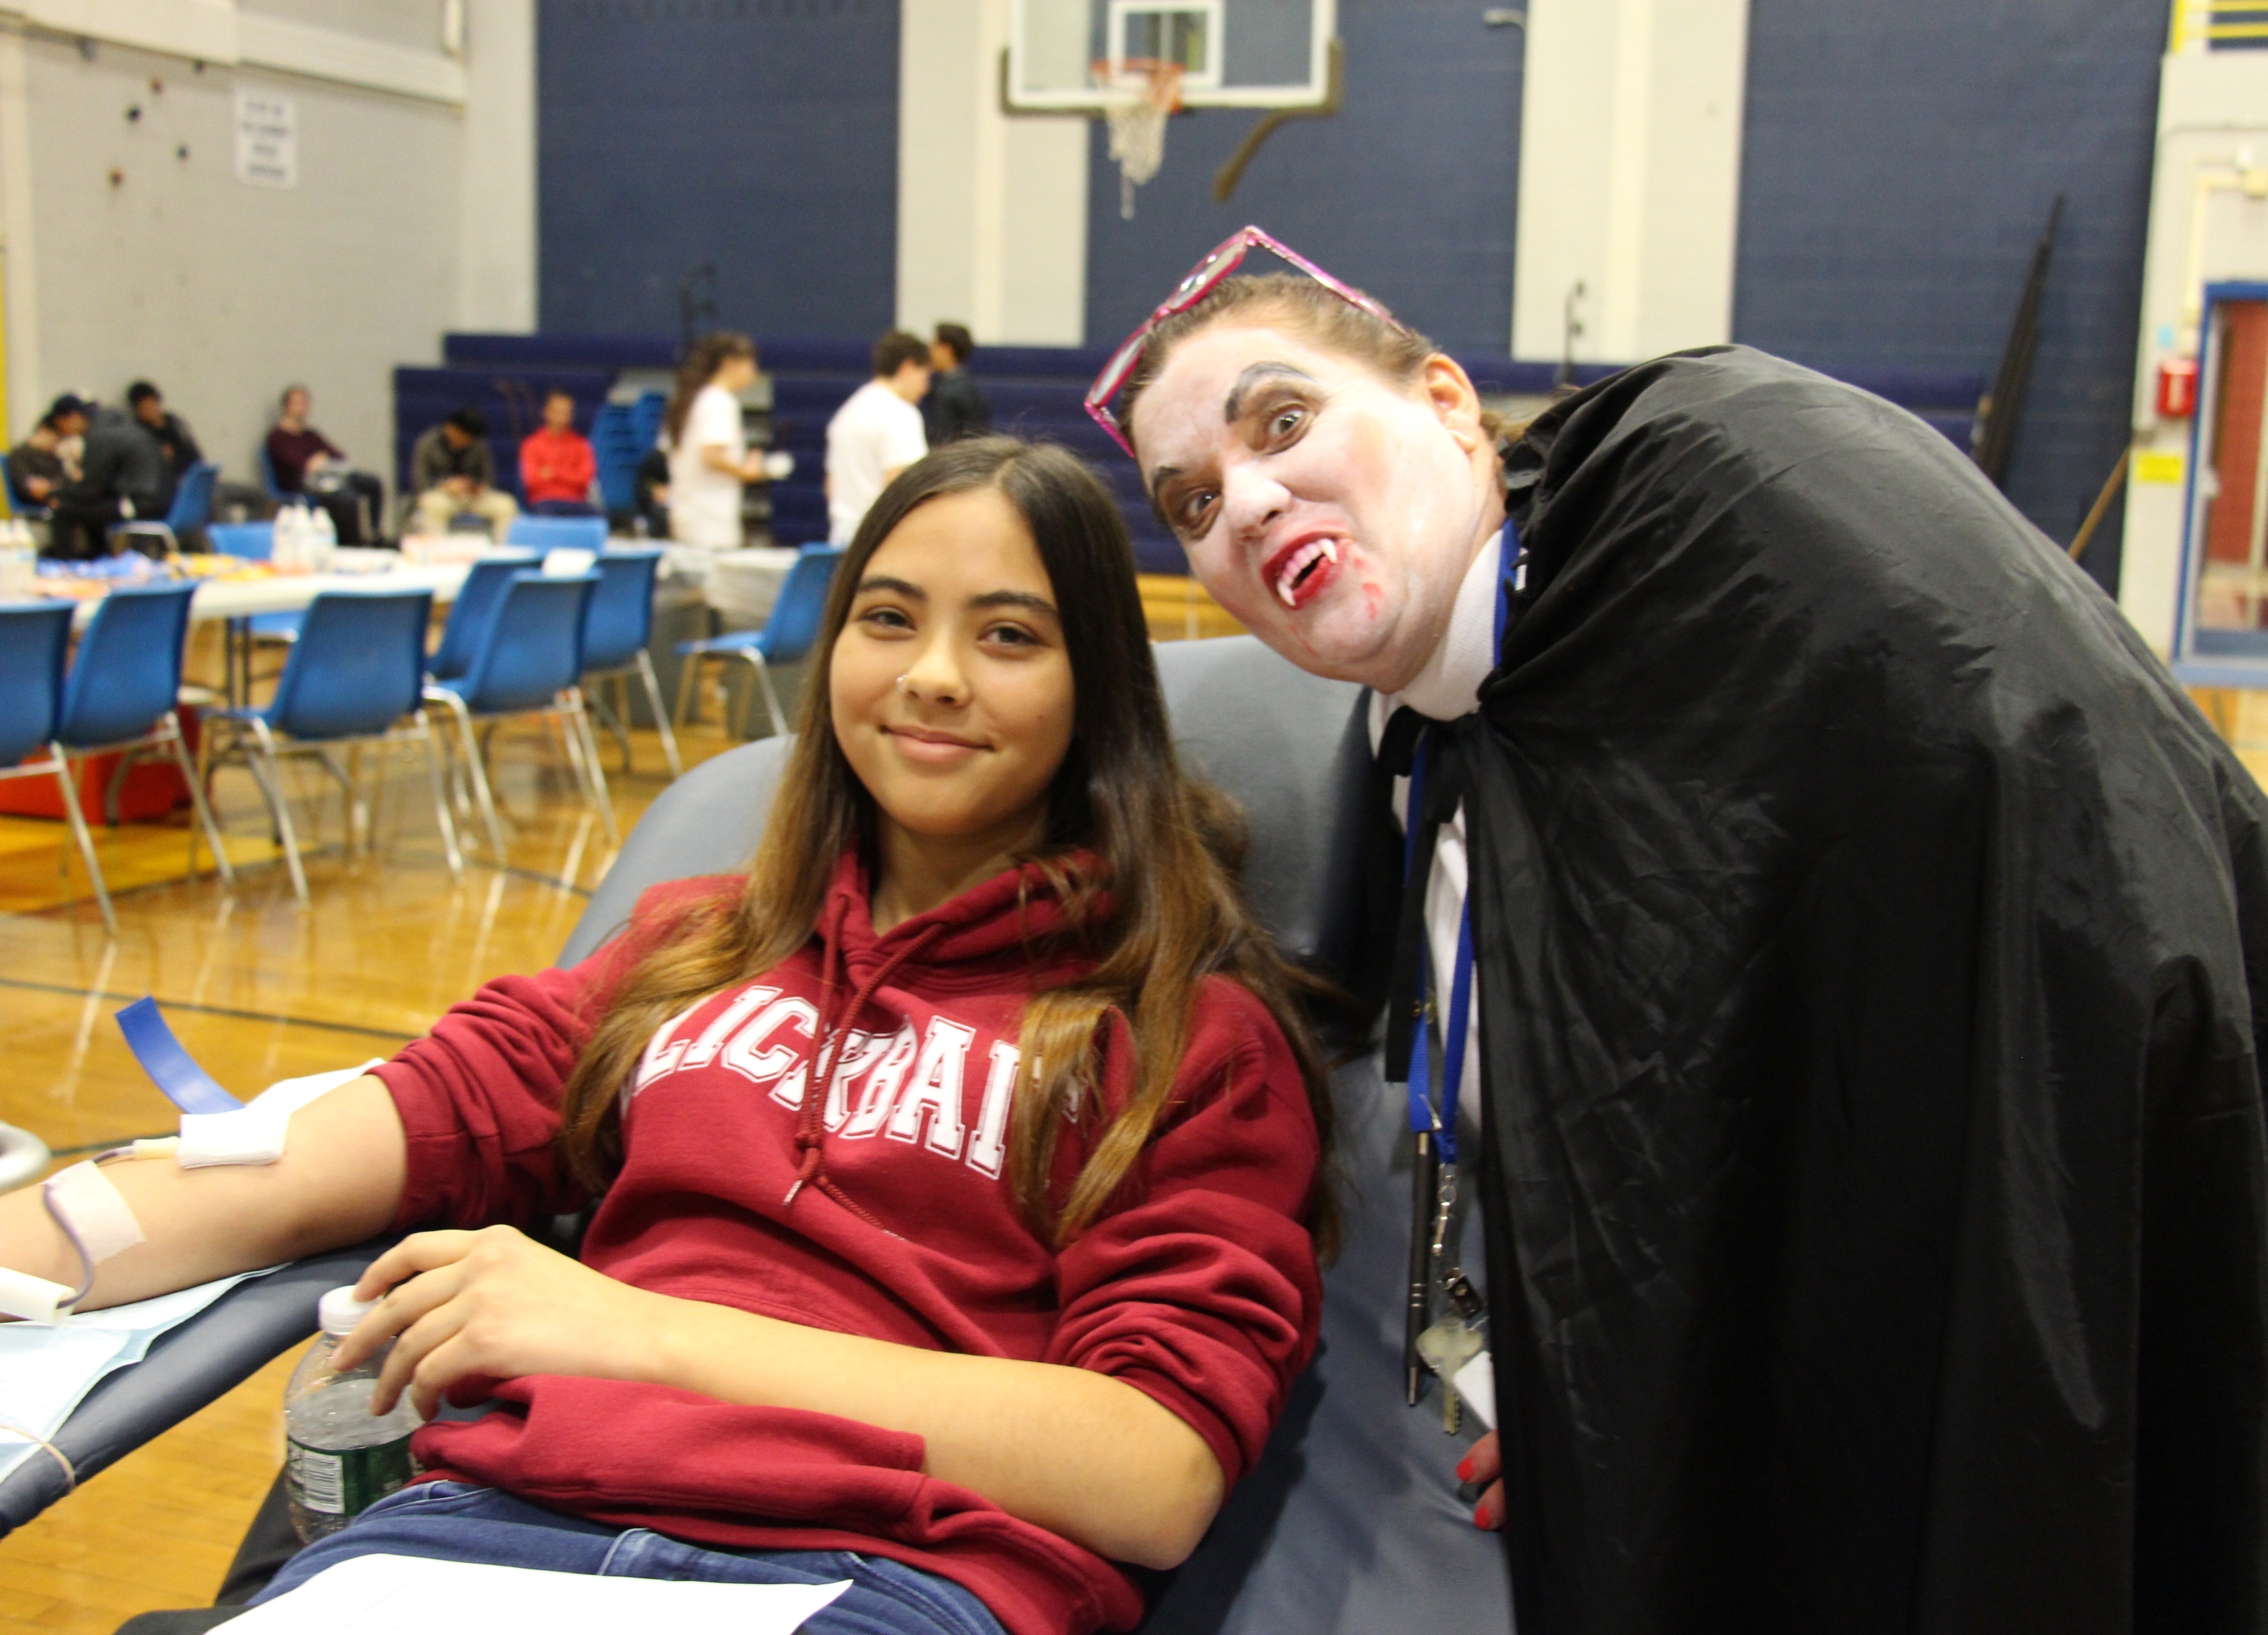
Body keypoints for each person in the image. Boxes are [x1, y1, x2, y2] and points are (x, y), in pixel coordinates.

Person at [1105, 230, 2268, 1631]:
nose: (1248, 503)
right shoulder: (1425, 778)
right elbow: (1571, 1160)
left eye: (1284, 420)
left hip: (2175, 1289)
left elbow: (2043, 895)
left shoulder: (1710, 480)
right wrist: (1572, 1390)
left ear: (1446, 400)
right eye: (1190, 502)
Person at [34, 437, 1331, 1635]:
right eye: (889, 619)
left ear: (1093, 690)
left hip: (882, 1575)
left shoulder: (1175, 1034)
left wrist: (624, 1331)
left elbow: (1155, 1471)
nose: (933, 674)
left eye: (1008, 635)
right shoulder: (686, 954)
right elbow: (321, 1152)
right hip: (486, 1533)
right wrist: (48, 1239)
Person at [662, 332, 773, 549]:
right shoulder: (719, 403)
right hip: (710, 522)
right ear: (730, 364)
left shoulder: (696, 399)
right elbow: (711, 455)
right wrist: (747, 471)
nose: (754, 372)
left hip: (690, 516)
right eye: (750, 364)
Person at [827, 331, 931, 545]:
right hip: (880, 538)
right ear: (908, 368)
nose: (925, 388)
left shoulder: (848, 411)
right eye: (924, 377)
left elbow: (831, 485)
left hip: (842, 535)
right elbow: (902, 486)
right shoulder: (901, 414)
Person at [265, 386, 386, 545]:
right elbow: (296, 464)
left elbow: (338, 456)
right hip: (302, 484)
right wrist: (312, 463)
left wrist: (321, 460)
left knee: (372, 483)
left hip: (329, 476)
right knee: (348, 498)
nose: (302, 408)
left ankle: (375, 536)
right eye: (297, 403)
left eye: (305, 403)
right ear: (286, 407)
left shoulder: (311, 435)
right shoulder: (277, 437)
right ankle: (352, 544)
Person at [46, 394, 160, 558]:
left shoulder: (99, 436)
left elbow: (92, 489)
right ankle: (99, 557)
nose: (62, 433)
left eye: (60, 426)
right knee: (91, 509)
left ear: (72, 417)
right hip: (153, 497)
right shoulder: (115, 424)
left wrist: (56, 492)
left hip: (138, 503)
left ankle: (67, 566)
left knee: (64, 511)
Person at [407, 406, 518, 542]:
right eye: (463, 436)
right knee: (432, 505)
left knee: (506, 505)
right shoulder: (428, 443)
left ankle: (502, 552)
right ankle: (438, 552)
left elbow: (489, 478)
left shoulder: (479, 445)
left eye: (469, 439)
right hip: (443, 496)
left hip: (473, 497)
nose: (465, 441)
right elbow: (420, 481)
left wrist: (476, 486)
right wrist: (445, 486)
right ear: (450, 428)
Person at [519, 388, 599, 515]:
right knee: (545, 516)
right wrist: (570, 475)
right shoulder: (532, 445)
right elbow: (531, 480)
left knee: (600, 518)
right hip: (543, 501)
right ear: (546, 412)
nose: (561, 417)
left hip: (576, 502)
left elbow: (585, 479)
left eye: (566, 412)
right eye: (557, 411)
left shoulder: (582, 445)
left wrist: (553, 473)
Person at [125, 380, 203, 503]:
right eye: (144, 407)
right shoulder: (138, 433)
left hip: (191, 480)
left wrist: (176, 457)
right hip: (168, 488)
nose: (150, 410)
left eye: (152, 405)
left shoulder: (174, 424)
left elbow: (196, 457)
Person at [923, 323, 993, 447]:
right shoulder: (970, 387)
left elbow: (941, 441)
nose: (930, 351)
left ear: (946, 349)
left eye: (934, 345)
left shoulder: (947, 392)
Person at [5, 399, 74, 513]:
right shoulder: (20, 455)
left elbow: (65, 483)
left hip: (59, 501)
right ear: (43, 430)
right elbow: (28, 489)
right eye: (57, 438)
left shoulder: (54, 458)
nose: (57, 444)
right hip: (39, 505)